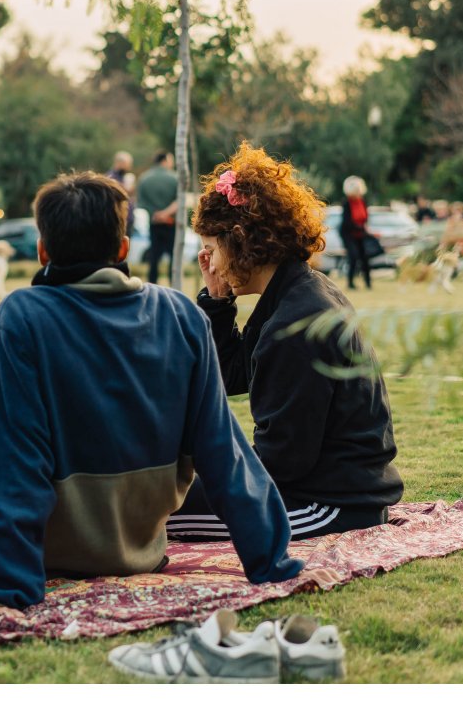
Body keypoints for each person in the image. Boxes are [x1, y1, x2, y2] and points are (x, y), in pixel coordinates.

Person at [0, 171, 303, 614]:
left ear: (43, 252)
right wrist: (272, 562)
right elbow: (226, 455)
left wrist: (8, 590)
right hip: (139, 552)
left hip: (47, 557)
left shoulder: (23, 317)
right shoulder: (183, 316)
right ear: (122, 250)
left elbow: (9, 462)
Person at [166, 143, 403, 543]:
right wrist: (219, 303)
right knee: (161, 499)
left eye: (211, 251)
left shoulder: (294, 323)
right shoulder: (293, 291)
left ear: (239, 240)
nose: (211, 265)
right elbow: (233, 376)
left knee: (150, 516)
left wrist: (177, 490)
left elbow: (280, 465)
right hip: (326, 488)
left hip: (327, 504)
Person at [137, 150, 180, 285]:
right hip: (171, 224)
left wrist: (156, 214)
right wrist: (166, 214)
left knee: (154, 257)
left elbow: (141, 202)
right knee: (174, 256)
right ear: (165, 160)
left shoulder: (144, 178)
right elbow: (180, 201)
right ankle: (173, 285)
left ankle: (152, 284)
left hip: (154, 223)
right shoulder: (175, 178)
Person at [338, 175, 374, 290]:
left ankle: (368, 283)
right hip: (349, 234)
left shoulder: (362, 201)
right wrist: (359, 227)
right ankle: (350, 283)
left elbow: (365, 217)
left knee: (365, 257)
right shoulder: (346, 203)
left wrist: (365, 228)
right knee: (353, 256)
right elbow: (347, 221)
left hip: (360, 233)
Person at [105, 150, 137, 234]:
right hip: (118, 219)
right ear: (120, 163)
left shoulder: (124, 176)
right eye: (128, 164)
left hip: (127, 218)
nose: (129, 167)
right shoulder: (110, 178)